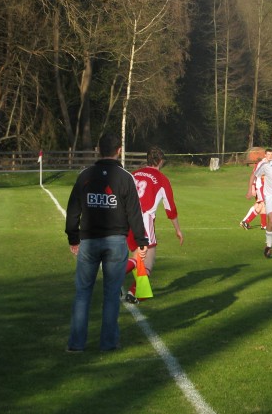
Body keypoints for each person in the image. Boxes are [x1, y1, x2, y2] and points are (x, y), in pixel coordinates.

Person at [65, 132, 149, 352]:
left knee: (83, 293)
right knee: (111, 294)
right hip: (116, 242)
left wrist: (73, 237)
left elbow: (73, 210)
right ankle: (108, 344)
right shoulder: (125, 177)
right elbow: (134, 213)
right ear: (119, 150)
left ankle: (76, 344)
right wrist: (142, 241)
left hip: (89, 241)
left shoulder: (85, 175)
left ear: (97, 150)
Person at [123, 146, 184, 304]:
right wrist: (177, 229)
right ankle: (122, 283)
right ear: (160, 161)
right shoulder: (162, 179)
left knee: (136, 256)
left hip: (124, 218)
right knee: (147, 258)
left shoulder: (134, 174)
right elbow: (170, 208)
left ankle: (135, 292)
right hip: (143, 219)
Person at [240, 148, 272, 229]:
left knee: (262, 205)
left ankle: (263, 225)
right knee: (262, 204)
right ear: (265, 155)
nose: (270, 156)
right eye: (268, 154)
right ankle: (246, 222)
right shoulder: (261, 164)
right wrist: (253, 187)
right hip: (260, 186)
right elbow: (254, 175)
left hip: (266, 188)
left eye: (271, 154)